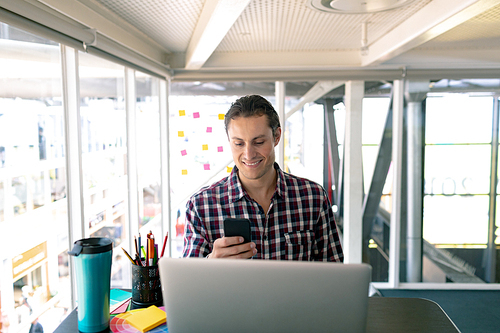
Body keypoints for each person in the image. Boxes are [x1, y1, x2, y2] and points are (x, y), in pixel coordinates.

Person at [182, 95, 343, 261]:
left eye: (258, 142)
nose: (249, 154)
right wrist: (211, 263)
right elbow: (187, 285)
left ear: (277, 136)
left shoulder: (312, 197)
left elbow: (335, 274)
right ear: (229, 141)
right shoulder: (200, 206)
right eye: (239, 144)